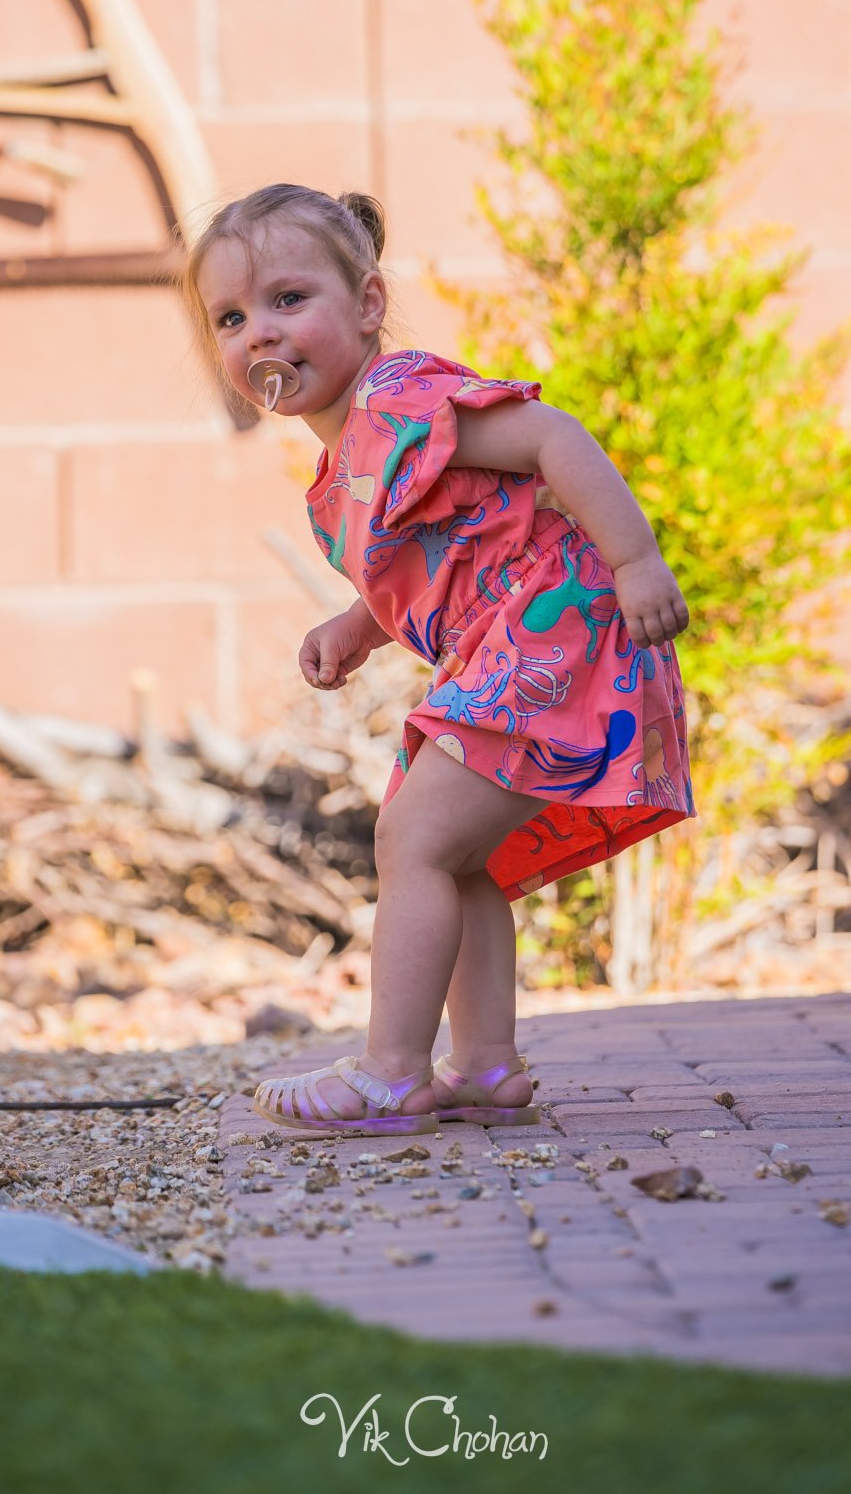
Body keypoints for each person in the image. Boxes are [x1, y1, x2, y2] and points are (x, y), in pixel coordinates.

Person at [180, 182, 694, 1137]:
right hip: (517, 639)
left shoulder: (403, 399)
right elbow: (443, 552)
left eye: (291, 300)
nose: (261, 333)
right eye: (232, 316)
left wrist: (636, 559)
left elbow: (548, 437)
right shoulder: (349, 461)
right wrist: (355, 624)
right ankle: (487, 1066)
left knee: (412, 840)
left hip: (556, 630)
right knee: (454, 858)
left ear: (368, 305)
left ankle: (391, 1073)